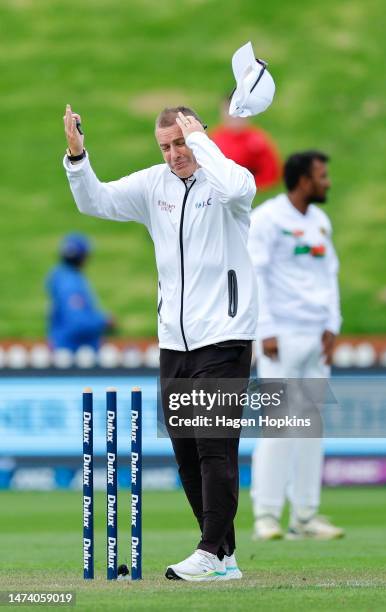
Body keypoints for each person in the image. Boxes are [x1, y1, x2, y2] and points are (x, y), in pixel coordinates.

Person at [63, 104, 258, 580]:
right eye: (165, 147)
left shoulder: (229, 181)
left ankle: (209, 550)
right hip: (174, 340)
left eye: (180, 143)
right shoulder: (155, 185)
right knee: (186, 448)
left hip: (225, 336)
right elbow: (97, 201)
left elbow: (235, 186)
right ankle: (224, 556)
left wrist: (204, 144)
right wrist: (77, 156)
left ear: (197, 135)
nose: (174, 155)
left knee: (215, 446)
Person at [249, 150, 344, 540]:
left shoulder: (320, 221)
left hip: (316, 336)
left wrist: (333, 325)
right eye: (322, 175)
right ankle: (267, 515)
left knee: (310, 426)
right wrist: (265, 328)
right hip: (281, 336)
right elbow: (255, 273)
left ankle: (305, 515)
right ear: (303, 180)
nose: (327, 182)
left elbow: (330, 275)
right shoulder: (268, 219)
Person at [46, 233, 114, 351]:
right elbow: (77, 322)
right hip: (72, 352)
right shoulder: (71, 284)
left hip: (64, 346)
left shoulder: (60, 276)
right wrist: (103, 321)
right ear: (82, 257)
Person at [211, 97, 282, 190]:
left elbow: (271, 172)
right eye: (228, 111)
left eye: (239, 111)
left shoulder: (257, 139)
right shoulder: (215, 139)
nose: (234, 116)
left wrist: (251, 187)